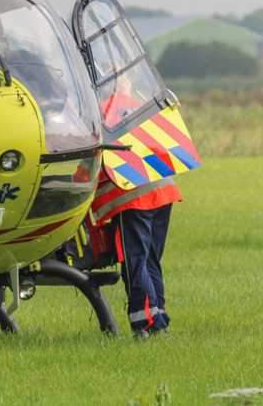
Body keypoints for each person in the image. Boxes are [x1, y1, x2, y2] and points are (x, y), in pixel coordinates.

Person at [90, 76, 182, 338]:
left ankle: (144, 324)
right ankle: (158, 316)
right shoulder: (140, 106)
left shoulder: (99, 114)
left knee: (135, 262)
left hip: (131, 197)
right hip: (163, 189)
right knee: (151, 258)